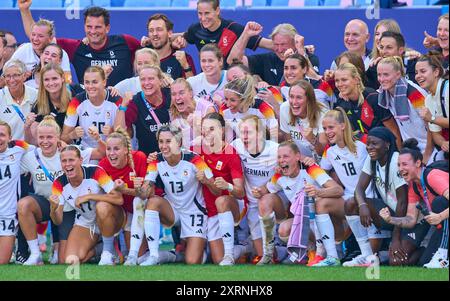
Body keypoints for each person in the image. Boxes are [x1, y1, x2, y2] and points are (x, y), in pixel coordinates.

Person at [17, 116, 105, 265]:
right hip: (45, 203)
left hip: (68, 208)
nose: (45, 141)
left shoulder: (69, 153)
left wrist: (98, 138)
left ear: (58, 137)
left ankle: (101, 247)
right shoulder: (31, 156)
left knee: (64, 261)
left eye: (50, 137)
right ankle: (35, 254)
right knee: (23, 205)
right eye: (41, 137)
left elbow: (101, 153)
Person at [253, 141, 344, 266]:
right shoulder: (279, 175)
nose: (281, 160)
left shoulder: (311, 168)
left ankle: (326, 253)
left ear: (297, 157)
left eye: (286, 156)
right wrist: (258, 191)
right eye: (279, 157)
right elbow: (267, 189)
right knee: (283, 230)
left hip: (329, 222)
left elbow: (338, 190)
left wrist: (318, 192)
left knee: (317, 205)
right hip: (307, 224)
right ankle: (309, 251)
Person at [136, 125, 213, 265]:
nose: (163, 146)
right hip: (172, 209)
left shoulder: (194, 159)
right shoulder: (156, 160)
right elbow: (145, 192)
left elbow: (216, 189)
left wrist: (207, 181)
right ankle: (153, 255)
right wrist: (139, 188)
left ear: (178, 142)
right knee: (152, 202)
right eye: (161, 141)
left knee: (192, 261)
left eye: (168, 141)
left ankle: (178, 254)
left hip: (193, 211)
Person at [19, 1, 141, 86]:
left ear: (107, 28)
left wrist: (148, 41)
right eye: (89, 26)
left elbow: (152, 52)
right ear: (84, 26)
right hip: (90, 105)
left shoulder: (125, 42)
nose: (93, 31)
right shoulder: (76, 47)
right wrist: (25, 10)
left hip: (123, 104)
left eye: (98, 27)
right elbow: (38, 36)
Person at [320, 108, 382, 267]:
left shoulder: (362, 144)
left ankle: (369, 255)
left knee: (375, 253)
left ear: (342, 126)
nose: (327, 132)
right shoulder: (330, 151)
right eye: (325, 128)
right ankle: (331, 256)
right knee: (321, 202)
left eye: (331, 127)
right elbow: (320, 173)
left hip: (372, 198)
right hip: (348, 200)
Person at [381, 139, 448, 268]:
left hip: (444, 221)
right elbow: (411, 219)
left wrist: (439, 217)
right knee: (424, 263)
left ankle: (444, 254)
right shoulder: (414, 185)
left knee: (439, 203)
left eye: (405, 164)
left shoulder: (432, 176)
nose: (401, 169)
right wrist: (390, 219)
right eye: (399, 165)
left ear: (418, 163)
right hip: (444, 227)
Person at [49, 145, 122, 264]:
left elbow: (118, 199)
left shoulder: (95, 171)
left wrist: (88, 196)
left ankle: (107, 252)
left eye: (71, 160)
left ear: (81, 160)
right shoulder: (59, 183)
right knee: (70, 260)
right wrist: (53, 208)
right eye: (64, 161)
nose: (68, 164)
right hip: (87, 222)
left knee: (101, 207)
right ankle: (99, 249)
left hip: (111, 216)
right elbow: (58, 220)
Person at [351, 127, 410, 266]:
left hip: (404, 218)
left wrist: (396, 238)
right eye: (368, 144)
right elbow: (359, 189)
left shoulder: (396, 160)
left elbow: (403, 202)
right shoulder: (372, 159)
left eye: (374, 144)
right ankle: (367, 255)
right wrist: (363, 205)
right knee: (351, 204)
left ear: (387, 145)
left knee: (397, 262)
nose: (370, 147)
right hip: (387, 214)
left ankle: (385, 252)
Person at [194, 113, 245, 265]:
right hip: (210, 210)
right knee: (217, 260)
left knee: (221, 200)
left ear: (222, 131)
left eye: (212, 129)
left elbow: (240, 193)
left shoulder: (230, 153)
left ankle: (230, 254)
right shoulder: (197, 149)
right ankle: (244, 248)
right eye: (204, 129)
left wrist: (227, 186)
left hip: (231, 205)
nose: (207, 133)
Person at [97, 128, 149, 265]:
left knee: (139, 258)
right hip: (119, 212)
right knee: (102, 206)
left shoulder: (139, 158)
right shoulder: (103, 165)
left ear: (126, 150)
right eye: (108, 149)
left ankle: (171, 255)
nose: (111, 153)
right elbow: (110, 198)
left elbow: (145, 194)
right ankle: (107, 253)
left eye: (116, 149)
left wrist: (124, 190)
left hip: (139, 211)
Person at [230, 115, 279, 262]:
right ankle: (253, 249)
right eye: (242, 132)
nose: (244, 137)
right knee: (266, 256)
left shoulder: (275, 150)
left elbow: (289, 171)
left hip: (275, 199)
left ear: (260, 134)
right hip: (251, 203)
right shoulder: (236, 146)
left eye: (248, 132)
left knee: (264, 201)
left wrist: (268, 187)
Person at [377, 56, 436, 163]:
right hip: (410, 151)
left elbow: (431, 125)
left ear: (398, 74)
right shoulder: (384, 94)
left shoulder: (414, 94)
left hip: (429, 151)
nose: (381, 79)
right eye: (379, 75)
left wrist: (427, 153)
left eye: (386, 74)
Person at [333, 62, 402, 148]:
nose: (339, 84)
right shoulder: (342, 103)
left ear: (357, 80)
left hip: (384, 150)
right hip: (363, 153)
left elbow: (394, 131)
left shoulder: (372, 97)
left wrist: (398, 155)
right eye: (337, 81)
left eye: (344, 80)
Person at [180, 0, 271, 64]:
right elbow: (182, 36)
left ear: (217, 11)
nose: (203, 18)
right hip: (207, 80)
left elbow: (268, 44)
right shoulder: (195, 29)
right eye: (200, 13)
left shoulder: (233, 29)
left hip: (231, 81)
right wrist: (177, 40)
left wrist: (284, 51)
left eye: (207, 13)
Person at [228, 23, 319, 86]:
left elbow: (316, 81)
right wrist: (246, 35)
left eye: (283, 44)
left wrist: (301, 51)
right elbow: (233, 62)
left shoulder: (310, 58)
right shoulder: (268, 59)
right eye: (276, 44)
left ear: (294, 42)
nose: (279, 49)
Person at [114, 65, 171, 155]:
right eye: (142, 79)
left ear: (160, 80)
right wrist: (123, 106)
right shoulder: (135, 102)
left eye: (151, 79)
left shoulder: (171, 95)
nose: (146, 83)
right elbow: (119, 133)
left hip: (175, 156)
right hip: (149, 158)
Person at [61, 66, 121, 148]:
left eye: (95, 82)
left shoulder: (117, 101)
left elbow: (128, 134)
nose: (90, 86)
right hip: (87, 151)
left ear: (104, 82)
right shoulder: (75, 102)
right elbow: (63, 137)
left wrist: (113, 132)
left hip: (111, 150)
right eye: (87, 82)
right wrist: (72, 135)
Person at [0, 121, 32, 264]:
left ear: (9, 137)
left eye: (2, 135)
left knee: (2, 262)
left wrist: (33, 170)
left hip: (7, 216)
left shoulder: (18, 148)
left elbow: (38, 152)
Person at [8, 18, 72, 82]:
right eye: (33, 34)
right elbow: (5, 76)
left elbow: (68, 81)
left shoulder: (59, 53)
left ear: (50, 38)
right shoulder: (24, 49)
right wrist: (19, 75)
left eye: (40, 36)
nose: (35, 39)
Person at [279, 80, 328, 163]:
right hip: (298, 158)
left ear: (309, 100)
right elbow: (289, 143)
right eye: (291, 96)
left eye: (299, 97)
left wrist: (313, 139)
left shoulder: (323, 113)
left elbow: (322, 152)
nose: (294, 102)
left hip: (320, 161)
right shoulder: (285, 108)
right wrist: (300, 158)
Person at [220, 75, 277, 142]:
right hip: (241, 145)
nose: (228, 104)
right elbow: (227, 138)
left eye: (233, 100)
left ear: (244, 99)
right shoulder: (224, 109)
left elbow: (275, 134)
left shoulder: (262, 107)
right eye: (226, 99)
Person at [24, 63, 71, 145]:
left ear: (63, 78)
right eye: (46, 80)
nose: (51, 83)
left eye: (54, 78)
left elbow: (73, 137)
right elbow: (33, 142)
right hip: (47, 150)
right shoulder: (39, 104)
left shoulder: (72, 101)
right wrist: (27, 127)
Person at [142, 14, 196, 80]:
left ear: (170, 33)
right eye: (151, 30)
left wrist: (185, 66)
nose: (154, 34)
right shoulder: (142, 56)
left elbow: (192, 87)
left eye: (159, 29)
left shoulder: (183, 59)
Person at [415, 54, 449, 157]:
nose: (418, 76)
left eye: (423, 71)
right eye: (416, 72)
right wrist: (443, 143)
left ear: (436, 72)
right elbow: (435, 133)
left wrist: (431, 118)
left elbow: (432, 119)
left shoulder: (448, 89)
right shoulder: (428, 100)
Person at [170, 78, 214, 149]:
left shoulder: (207, 109)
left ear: (191, 93)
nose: (177, 97)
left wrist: (196, 126)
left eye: (181, 93)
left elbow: (213, 140)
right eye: (174, 94)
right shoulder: (173, 113)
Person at [0, 60, 37, 140]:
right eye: (8, 76)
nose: (12, 80)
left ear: (24, 76)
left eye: (16, 75)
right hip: (6, 148)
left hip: (30, 147)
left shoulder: (35, 95)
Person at [187, 44, 228, 109]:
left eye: (210, 60)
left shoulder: (230, 78)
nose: (206, 65)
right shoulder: (192, 82)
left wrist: (222, 105)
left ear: (220, 61)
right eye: (203, 61)